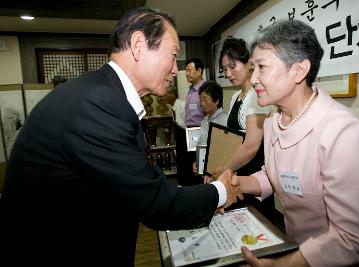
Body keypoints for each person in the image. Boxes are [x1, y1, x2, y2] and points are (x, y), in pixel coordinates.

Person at [0, 7, 239, 267]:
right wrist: (221, 191)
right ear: (138, 45)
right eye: (172, 56)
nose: (174, 70)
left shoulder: (100, 93)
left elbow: (134, 182)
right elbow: (154, 201)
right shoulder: (99, 103)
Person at [232, 19, 359, 266]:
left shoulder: (344, 133)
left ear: (299, 70)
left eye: (261, 67)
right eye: (252, 68)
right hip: (302, 252)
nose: (254, 78)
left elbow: (352, 238)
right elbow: (273, 174)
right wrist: (236, 184)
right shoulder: (273, 121)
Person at [218, 37, 276, 219]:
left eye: (232, 66)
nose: (228, 73)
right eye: (224, 69)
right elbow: (232, 139)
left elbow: (251, 146)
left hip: (254, 174)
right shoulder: (236, 96)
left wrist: (225, 170)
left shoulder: (258, 95)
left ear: (249, 63)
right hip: (237, 171)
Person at [192, 80, 228, 175]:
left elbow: (224, 151)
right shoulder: (205, 120)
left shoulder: (225, 120)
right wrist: (197, 162)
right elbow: (201, 143)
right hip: (205, 171)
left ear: (216, 100)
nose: (202, 103)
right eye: (200, 100)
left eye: (205, 99)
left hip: (218, 172)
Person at [164, 85, 187, 185]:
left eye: (166, 94)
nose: (163, 97)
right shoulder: (173, 108)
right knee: (180, 162)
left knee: (184, 163)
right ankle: (181, 183)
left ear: (173, 94)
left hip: (185, 138)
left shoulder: (182, 106)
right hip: (179, 138)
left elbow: (186, 125)